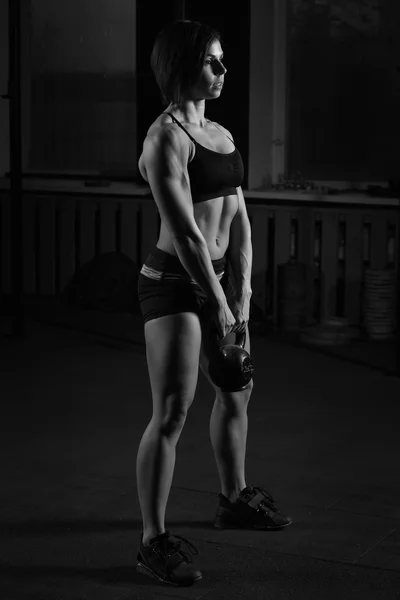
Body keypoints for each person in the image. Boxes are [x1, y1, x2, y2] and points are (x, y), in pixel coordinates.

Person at [135, 19, 292, 587]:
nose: (224, 71)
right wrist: (221, 306)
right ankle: (153, 540)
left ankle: (233, 497)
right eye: (212, 62)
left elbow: (240, 223)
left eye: (224, 60)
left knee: (237, 390)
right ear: (181, 68)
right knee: (173, 408)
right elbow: (188, 236)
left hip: (223, 284)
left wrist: (243, 296)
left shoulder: (222, 135)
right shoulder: (165, 139)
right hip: (175, 283)